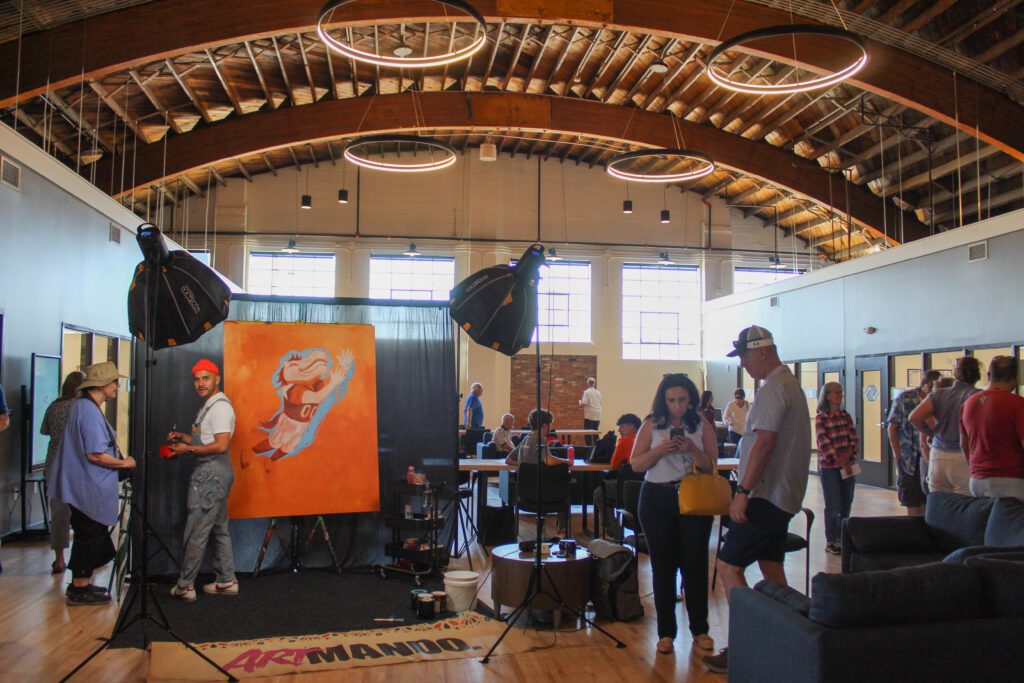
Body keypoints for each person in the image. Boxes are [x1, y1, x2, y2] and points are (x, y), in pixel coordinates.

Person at [703, 326, 810, 674]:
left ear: (763, 351)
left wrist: (743, 493)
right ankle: (799, 640)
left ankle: (751, 644)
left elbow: (764, 444)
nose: (744, 364)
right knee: (772, 568)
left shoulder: (775, 388)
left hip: (765, 496)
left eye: (746, 356)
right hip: (780, 495)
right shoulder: (787, 384)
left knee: (728, 566)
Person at [630, 373, 717, 655]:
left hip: (694, 497)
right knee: (663, 566)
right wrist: (659, 450)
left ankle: (700, 629)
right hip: (657, 497)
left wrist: (692, 449)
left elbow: (711, 466)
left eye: (681, 400)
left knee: (695, 564)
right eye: (671, 401)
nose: (677, 406)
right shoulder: (652, 424)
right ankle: (666, 633)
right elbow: (636, 464)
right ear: (663, 401)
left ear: (690, 399)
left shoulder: (701, 425)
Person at [49, 362, 136, 606]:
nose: (117, 386)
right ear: (101, 385)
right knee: (90, 535)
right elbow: (95, 454)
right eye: (113, 382)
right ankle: (79, 588)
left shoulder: (82, 407)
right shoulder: (87, 410)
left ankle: (82, 583)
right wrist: (125, 464)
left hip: (83, 485)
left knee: (90, 534)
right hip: (85, 487)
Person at [166, 359, 238, 600]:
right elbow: (206, 440)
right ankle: (227, 580)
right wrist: (185, 438)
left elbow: (220, 445)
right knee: (219, 528)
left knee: (196, 530)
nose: (200, 383)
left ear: (217, 379)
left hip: (210, 475)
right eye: (197, 379)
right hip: (215, 474)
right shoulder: (210, 405)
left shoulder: (219, 408)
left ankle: (186, 585)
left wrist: (187, 450)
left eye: (205, 378)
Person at [909, 357, 981, 496]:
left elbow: (914, 417)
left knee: (938, 503)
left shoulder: (939, 394)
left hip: (938, 454)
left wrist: (931, 433)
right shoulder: (977, 396)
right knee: (964, 504)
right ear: (977, 374)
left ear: (956, 374)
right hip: (964, 456)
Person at [960, 356, 1024, 502]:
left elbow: (963, 444)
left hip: (977, 481)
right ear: (1015, 378)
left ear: (989, 376)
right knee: (1010, 524)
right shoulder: (1018, 405)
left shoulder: (968, 403)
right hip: (1011, 480)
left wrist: (975, 469)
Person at [40, 370, 86, 574]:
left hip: (53, 467)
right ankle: (82, 559)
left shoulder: (54, 406)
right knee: (83, 516)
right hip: (76, 466)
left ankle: (59, 559)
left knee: (58, 515)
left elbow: (45, 431)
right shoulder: (81, 408)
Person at [887, 370, 942, 515]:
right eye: (931, 386)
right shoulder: (905, 399)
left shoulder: (940, 400)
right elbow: (892, 427)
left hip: (931, 456)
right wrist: (898, 455)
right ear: (923, 384)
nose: (933, 390)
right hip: (909, 457)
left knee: (929, 499)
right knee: (912, 498)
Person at [815, 382, 858, 555]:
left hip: (849, 465)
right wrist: (841, 462)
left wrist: (848, 458)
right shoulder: (821, 418)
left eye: (841, 392)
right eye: (836, 392)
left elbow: (853, 439)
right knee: (833, 504)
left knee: (846, 502)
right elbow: (824, 443)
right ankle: (832, 539)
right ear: (827, 395)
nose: (840, 395)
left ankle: (843, 537)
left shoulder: (845, 416)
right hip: (830, 467)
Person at [579, 377, 602, 445]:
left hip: (589, 415)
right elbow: (600, 402)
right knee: (595, 432)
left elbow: (584, 403)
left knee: (587, 433)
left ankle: (589, 448)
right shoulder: (598, 393)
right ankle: (596, 449)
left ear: (588, 383)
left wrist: (580, 402)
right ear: (594, 384)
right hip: (597, 414)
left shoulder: (587, 392)